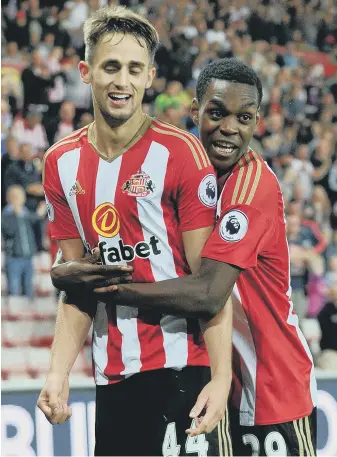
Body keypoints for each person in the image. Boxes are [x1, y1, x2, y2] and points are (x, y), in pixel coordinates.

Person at [67, 58, 317, 456]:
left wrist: (111, 289)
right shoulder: (180, 169)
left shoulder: (251, 188)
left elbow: (208, 294)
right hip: (211, 379)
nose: (229, 128)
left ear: (257, 122)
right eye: (217, 113)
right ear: (195, 110)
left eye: (244, 117)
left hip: (271, 385)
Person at [38, 6, 232, 456]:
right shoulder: (60, 163)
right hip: (112, 375)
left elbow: (210, 285)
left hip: (184, 369)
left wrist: (221, 378)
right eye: (110, 66)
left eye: (133, 69)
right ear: (86, 71)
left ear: (150, 77)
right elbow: (79, 284)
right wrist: (57, 372)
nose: (121, 81)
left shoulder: (182, 153)